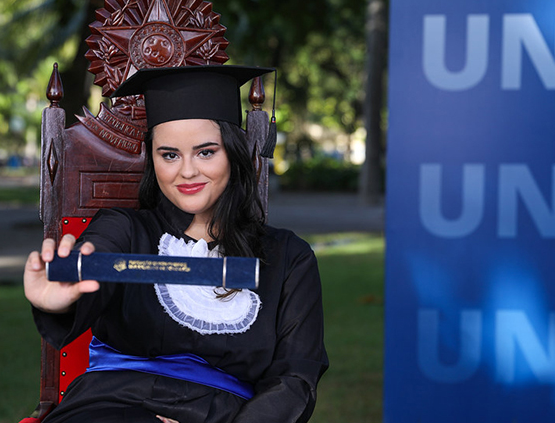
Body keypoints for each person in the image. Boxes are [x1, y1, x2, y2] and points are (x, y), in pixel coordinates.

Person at [24, 65, 328, 423]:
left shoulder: (288, 258)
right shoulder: (122, 230)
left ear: (234, 152)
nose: (186, 172)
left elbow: (295, 380)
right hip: (112, 405)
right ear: (152, 158)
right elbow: (92, 269)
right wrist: (59, 301)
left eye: (206, 152)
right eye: (169, 155)